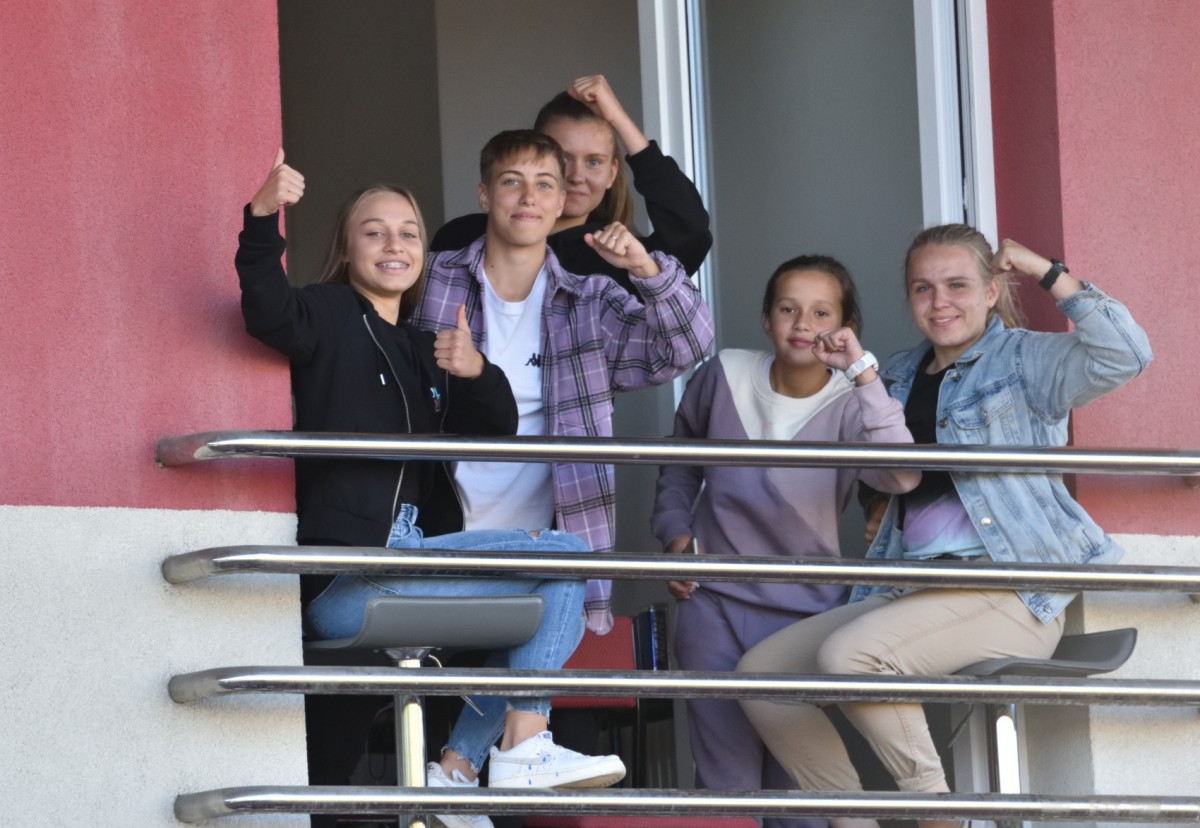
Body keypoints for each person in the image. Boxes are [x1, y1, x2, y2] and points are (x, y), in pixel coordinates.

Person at [236, 150, 625, 828]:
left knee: (554, 588)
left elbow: (495, 427)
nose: (395, 244)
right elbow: (269, 312)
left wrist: (476, 372)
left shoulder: (423, 348)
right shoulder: (329, 312)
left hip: (411, 559)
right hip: (350, 575)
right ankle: (515, 753)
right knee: (563, 554)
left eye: (409, 232)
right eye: (375, 232)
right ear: (347, 247)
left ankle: (459, 770)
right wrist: (262, 218)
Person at [736, 225, 1152, 828]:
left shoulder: (1026, 359)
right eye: (923, 288)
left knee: (852, 658)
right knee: (763, 678)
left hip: (1009, 591)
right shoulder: (898, 372)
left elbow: (1127, 354)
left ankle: (939, 817)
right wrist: (864, 407)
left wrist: (1044, 269)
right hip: (913, 587)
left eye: (957, 285)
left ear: (991, 291)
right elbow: (892, 471)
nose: (939, 303)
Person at [650, 255, 918, 828]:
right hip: (712, 602)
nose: (803, 324)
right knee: (727, 784)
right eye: (788, 309)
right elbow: (677, 461)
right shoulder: (723, 374)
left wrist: (863, 374)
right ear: (766, 318)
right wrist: (675, 534)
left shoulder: (852, 405)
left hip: (806, 614)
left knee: (797, 789)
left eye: (822, 313)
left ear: (846, 328)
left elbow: (901, 475)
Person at [431, 74, 712, 292]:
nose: (576, 176)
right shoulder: (462, 238)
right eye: (563, 159)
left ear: (612, 173)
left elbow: (690, 229)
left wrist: (617, 118)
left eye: (594, 161)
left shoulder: (624, 259)